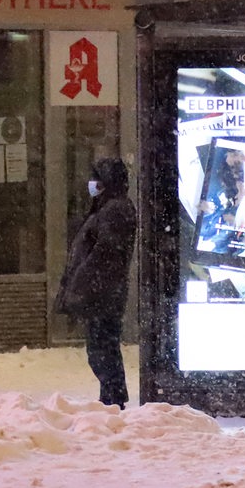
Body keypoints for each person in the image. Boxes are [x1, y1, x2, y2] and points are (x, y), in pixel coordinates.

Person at [55, 158, 137, 408]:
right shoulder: (107, 208)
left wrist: (79, 288)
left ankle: (113, 400)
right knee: (101, 349)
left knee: (102, 349)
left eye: (97, 179)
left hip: (103, 294)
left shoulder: (114, 210)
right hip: (102, 292)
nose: (92, 184)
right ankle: (111, 398)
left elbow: (104, 256)